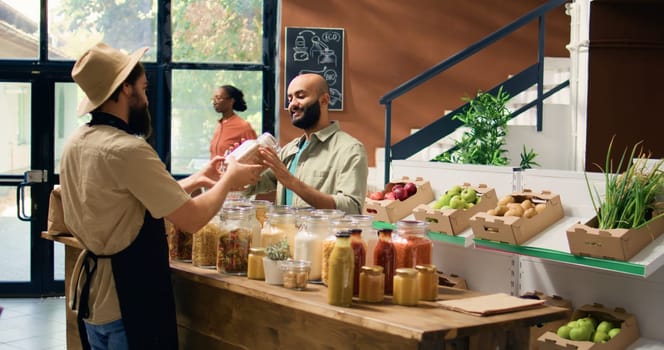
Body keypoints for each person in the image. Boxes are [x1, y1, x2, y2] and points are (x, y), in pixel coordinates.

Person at [59, 42, 262, 350]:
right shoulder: (128, 149)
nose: (147, 97)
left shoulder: (77, 142)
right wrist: (230, 179)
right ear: (126, 89)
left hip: (93, 302)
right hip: (128, 302)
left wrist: (197, 179)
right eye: (144, 88)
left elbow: (128, 204)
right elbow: (192, 219)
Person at [247, 73, 368, 214]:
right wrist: (245, 164)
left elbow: (351, 208)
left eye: (301, 96)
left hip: (324, 236)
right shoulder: (289, 150)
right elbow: (250, 188)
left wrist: (292, 182)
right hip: (285, 234)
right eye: (290, 98)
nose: (292, 104)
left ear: (324, 100)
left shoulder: (350, 149)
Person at [209, 85, 258, 158]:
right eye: (213, 99)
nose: (214, 102)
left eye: (218, 98)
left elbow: (255, 155)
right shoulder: (220, 126)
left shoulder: (244, 127)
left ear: (231, 101)